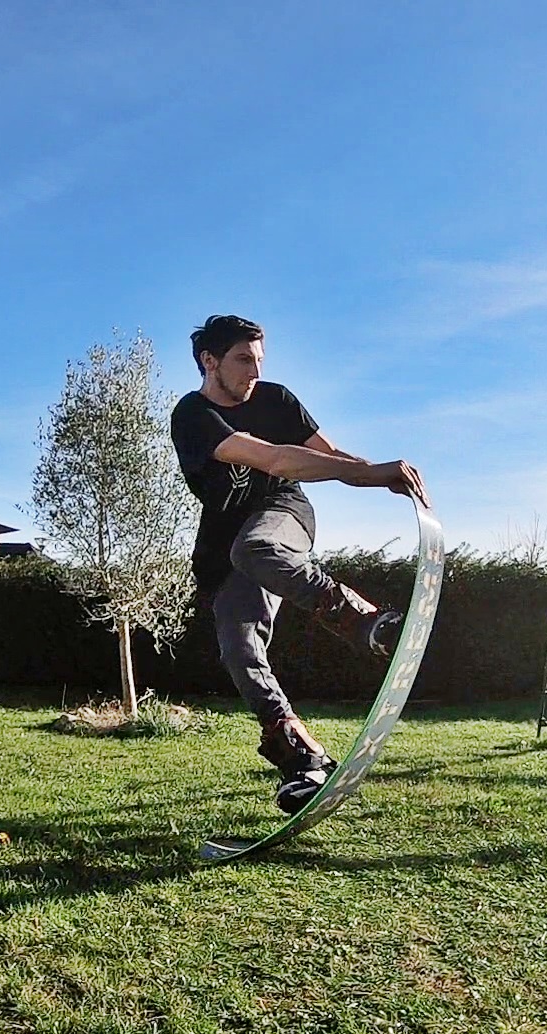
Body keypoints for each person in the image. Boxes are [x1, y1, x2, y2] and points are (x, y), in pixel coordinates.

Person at [170, 314, 429, 813]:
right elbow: (271, 458)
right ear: (210, 361)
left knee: (256, 547)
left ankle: (361, 619)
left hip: (283, 515)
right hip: (224, 547)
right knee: (239, 648)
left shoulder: (277, 399)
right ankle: (303, 757)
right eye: (243, 360)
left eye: (260, 360)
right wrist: (371, 474)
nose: (254, 372)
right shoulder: (192, 414)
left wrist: (382, 476)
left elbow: (325, 457)